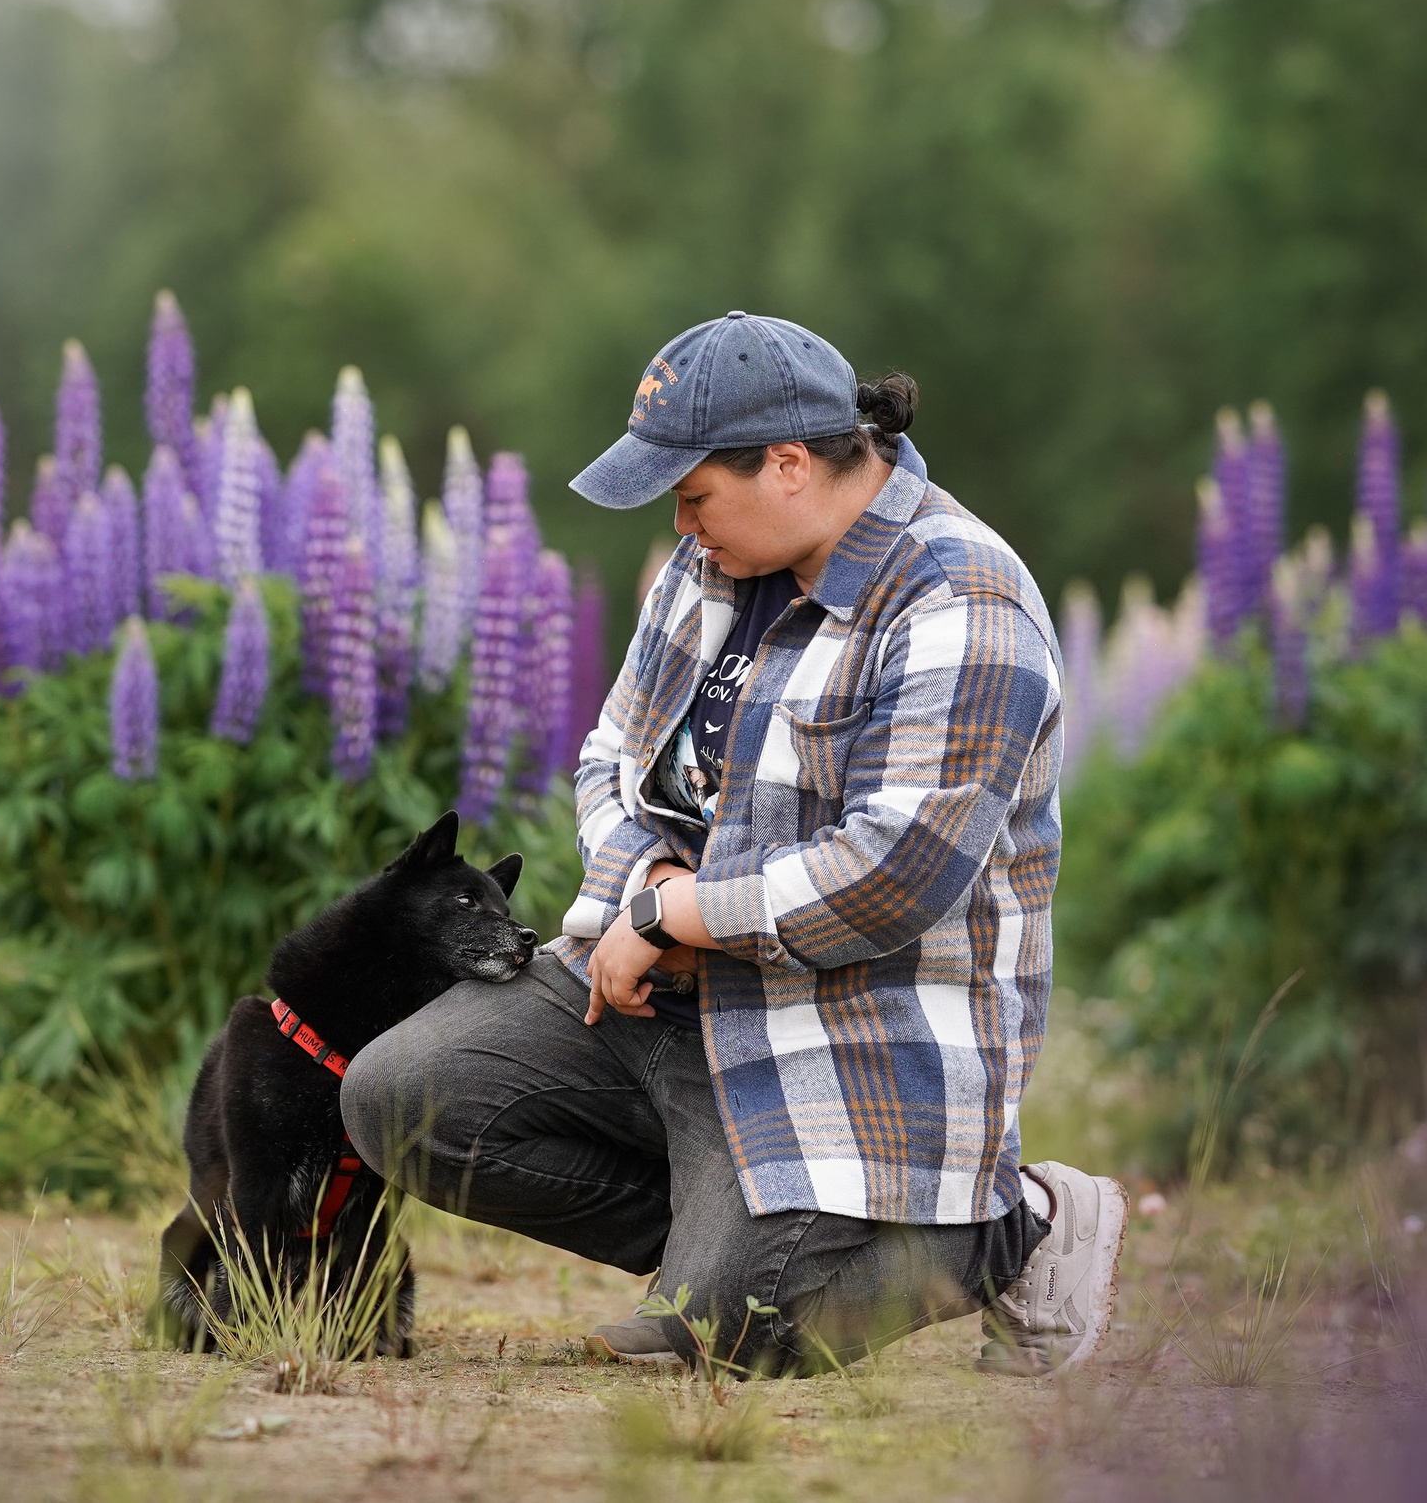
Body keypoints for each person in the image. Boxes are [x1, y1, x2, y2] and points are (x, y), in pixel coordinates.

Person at [342, 312, 1124, 1376]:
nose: (678, 520)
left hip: (845, 1036)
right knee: (396, 1096)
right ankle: (748, 1234)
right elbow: (610, 755)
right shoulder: (710, 565)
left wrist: (677, 915)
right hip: (660, 1000)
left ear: (790, 464)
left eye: (693, 491)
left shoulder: (961, 601)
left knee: (711, 1346)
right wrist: (647, 885)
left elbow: (893, 874)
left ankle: (1008, 1226)